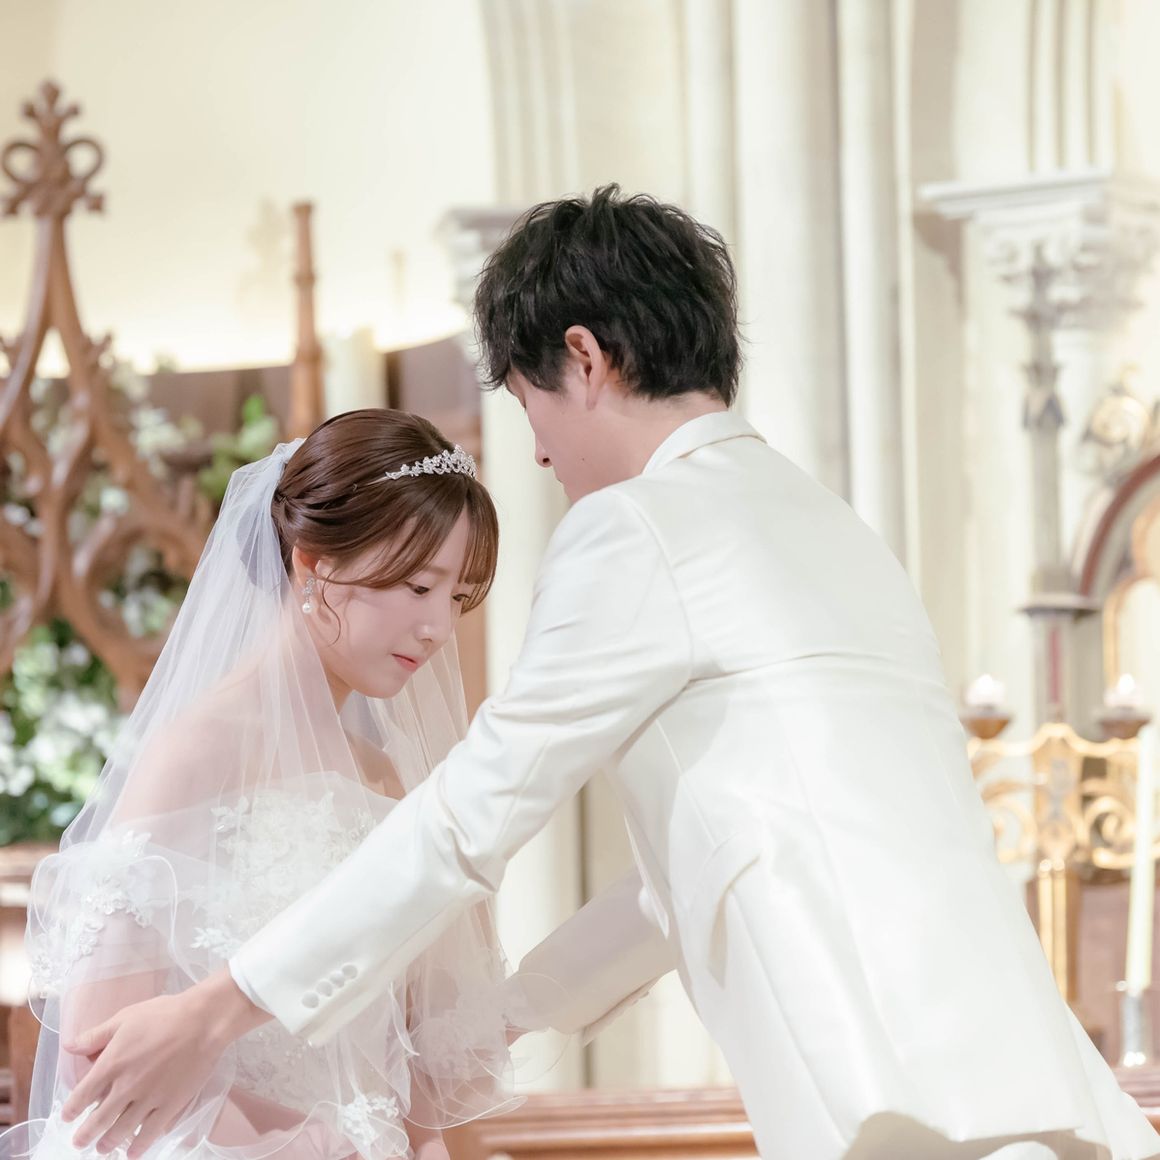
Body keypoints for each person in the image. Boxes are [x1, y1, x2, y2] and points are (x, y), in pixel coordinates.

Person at [61, 187, 1160, 1159]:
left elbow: (470, 814)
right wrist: (500, 1018)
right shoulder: (830, 527)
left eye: (527, 404)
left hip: (878, 1077)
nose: (538, 452)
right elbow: (683, 875)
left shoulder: (638, 526)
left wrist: (220, 1005)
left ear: (582, 360)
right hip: (1021, 1069)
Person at [4, 410, 527, 1160]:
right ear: (314, 566)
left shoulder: (383, 777)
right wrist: (320, 1145)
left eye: (457, 597)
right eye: (419, 586)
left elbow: (412, 1059)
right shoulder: (196, 753)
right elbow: (98, 1060)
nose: (438, 628)